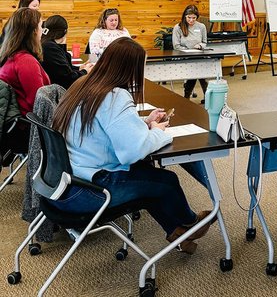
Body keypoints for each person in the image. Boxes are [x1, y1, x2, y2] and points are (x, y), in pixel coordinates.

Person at [51, 37, 211, 254]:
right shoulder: (114, 96)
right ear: (130, 69)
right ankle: (190, 224)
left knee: (147, 177)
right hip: (89, 190)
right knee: (165, 181)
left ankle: (177, 232)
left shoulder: (84, 84)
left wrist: (142, 123)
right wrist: (157, 132)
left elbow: (102, 128)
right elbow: (132, 152)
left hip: (66, 181)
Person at [0, 8, 50, 153]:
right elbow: (38, 103)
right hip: (26, 130)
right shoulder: (25, 61)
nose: (43, 31)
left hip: (14, 126)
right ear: (33, 31)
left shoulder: (9, 57)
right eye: (41, 26)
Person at [41, 15, 93, 89]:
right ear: (65, 32)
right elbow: (68, 78)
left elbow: (64, 68)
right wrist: (85, 71)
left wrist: (79, 68)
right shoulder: (50, 47)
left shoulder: (49, 44)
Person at [173, 5, 208, 101]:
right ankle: (191, 96)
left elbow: (205, 42)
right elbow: (176, 46)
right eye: (189, 17)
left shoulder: (201, 27)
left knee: (200, 72)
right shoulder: (178, 27)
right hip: (185, 56)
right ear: (185, 16)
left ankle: (188, 97)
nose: (191, 20)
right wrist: (188, 50)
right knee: (197, 72)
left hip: (199, 55)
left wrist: (200, 46)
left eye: (194, 18)